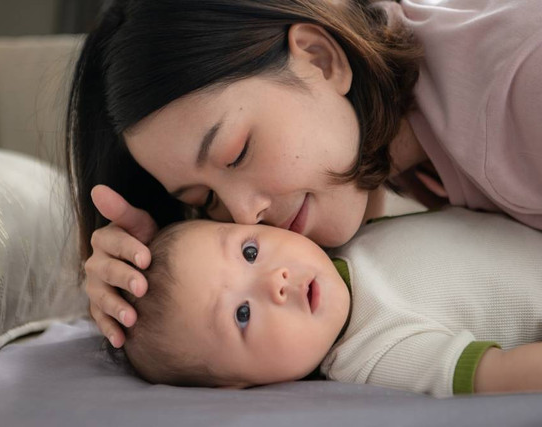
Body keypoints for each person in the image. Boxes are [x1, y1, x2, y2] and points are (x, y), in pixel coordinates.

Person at [65, 0, 542, 347]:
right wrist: (151, 286)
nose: (245, 214)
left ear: (320, 59)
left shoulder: (524, 81)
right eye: (207, 198)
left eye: (236, 154)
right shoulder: (379, 145)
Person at [114, 207, 542, 397]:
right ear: (237, 385)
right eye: (242, 315)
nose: (274, 282)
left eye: (250, 252)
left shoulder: (340, 239)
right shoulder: (374, 353)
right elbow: (497, 376)